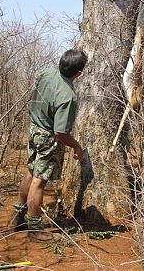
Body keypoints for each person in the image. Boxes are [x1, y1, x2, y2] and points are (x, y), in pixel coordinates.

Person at [12, 49, 87, 241]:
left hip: (33, 129)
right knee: (39, 181)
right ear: (78, 73)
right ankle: (35, 228)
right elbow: (60, 133)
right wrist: (77, 146)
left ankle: (18, 216)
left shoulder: (45, 72)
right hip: (46, 137)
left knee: (30, 171)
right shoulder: (68, 96)